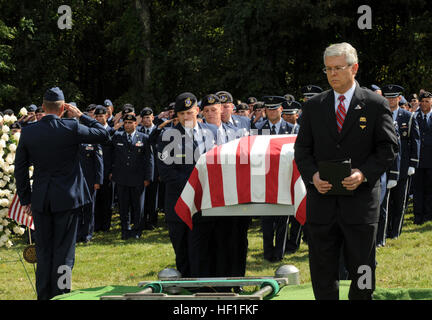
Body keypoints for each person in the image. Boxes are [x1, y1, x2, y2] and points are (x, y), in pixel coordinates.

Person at [294, 42, 398, 300]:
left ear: (354, 68)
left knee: (362, 266)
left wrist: (363, 174)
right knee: (322, 266)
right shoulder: (314, 106)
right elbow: (302, 150)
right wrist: (313, 175)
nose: (332, 74)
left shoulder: (374, 104)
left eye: (338, 68)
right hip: (322, 201)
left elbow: (388, 149)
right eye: (328, 69)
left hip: (360, 203)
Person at [14, 87, 109, 300]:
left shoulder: (29, 131)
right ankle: (62, 294)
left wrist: (26, 199)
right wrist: (82, 116)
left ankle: (44, 295)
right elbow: (104, 134)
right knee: (64, 254)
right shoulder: (72, 126)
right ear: (64, 108)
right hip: (68, 199)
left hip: (41, 199)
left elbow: (20, 169)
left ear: (43, 106)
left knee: (44, 252)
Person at [156, 92, 217, 278]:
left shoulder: (212, 132)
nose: (185, 117)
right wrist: (194, 186)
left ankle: (205, 286)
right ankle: (185, 288)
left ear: (197, 111)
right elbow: (166, 171)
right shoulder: (168, 136)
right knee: (182, 250)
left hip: (205, 203)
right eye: (181, 114)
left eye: (189, 113)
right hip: (179, 202)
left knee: (204, 249)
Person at [381, 85, 420, 238]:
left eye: (393, 97)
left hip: (403, 166)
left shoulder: (407, 116)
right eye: (388, 97)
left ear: (399, 98)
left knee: (399, 201)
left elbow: (415, 140)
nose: (391, 100)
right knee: (385, 202)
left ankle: (395, 232)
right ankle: (383, 232)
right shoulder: (380, 115)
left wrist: (413, 163)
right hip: (385, 165)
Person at [110, 114, 153, 240]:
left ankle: (137, 230)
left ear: (136, 124)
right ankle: (125, 230)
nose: (127, 125)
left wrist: (148, 177)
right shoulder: (117, 136)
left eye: (130, 122)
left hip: (138, 178)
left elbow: (149, 159)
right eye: (126, 122)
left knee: (138, 206)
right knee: (123, 206)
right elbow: (111, 153)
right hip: (122, 178)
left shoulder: (144, 138)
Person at [94, 106, 115, 232]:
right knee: (96, 200)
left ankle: (106, 225)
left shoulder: (112, 132)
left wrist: (113, 170)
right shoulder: (92, 131)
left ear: (106, 116)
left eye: (101, 116)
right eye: (97, 116)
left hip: (108, 171)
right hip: (96, 171)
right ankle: (97, 225)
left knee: (108, 200)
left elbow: (115, 153)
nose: (99, 118)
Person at [413, 91, 432, 225]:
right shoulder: (414, 117)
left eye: (427, 101)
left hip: (431, 160)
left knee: (430, 189)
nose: (424, 104)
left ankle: (428, 215)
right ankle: (418, 215)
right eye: (423, 101)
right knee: (418, 189)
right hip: (418, 160)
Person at [138, 107, 159, 229]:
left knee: (153, 196)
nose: (146, 119)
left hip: (155, 169)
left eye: (148, 117)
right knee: (142, 197)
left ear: (153, 117)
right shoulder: (138, 131)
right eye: (144, 117)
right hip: (141, 170)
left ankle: (152, 221)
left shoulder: (160, 131)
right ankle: (142, 220)